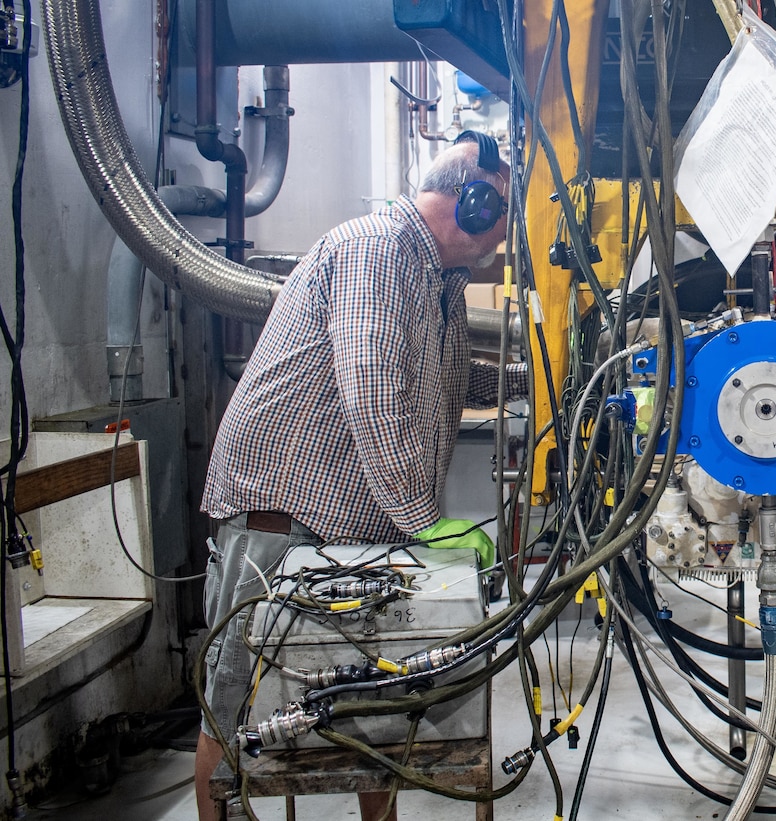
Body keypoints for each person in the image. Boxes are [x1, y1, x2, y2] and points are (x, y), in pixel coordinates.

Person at [193, 131, 526, 820]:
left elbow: (452, 376)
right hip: (283, 516)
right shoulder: (377, 250)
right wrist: (424, 518)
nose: (505, 233)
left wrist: (535, 384)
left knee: (373, 694)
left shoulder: (438, 282)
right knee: (236, 699)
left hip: (356, 524)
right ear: (470, 201)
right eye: (503, 212)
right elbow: (375, 389)